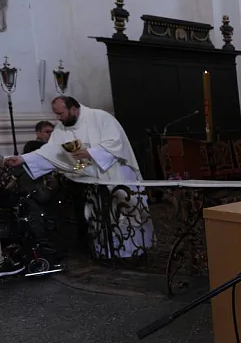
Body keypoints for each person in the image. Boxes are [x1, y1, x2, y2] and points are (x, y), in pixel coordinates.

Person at [3, 96, 153, 258]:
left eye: (60, 113)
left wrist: (91, 152)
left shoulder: (100, 117)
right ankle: (106, 252)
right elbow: (50, 152)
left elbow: (115, 143)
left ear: (73, 109)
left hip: (115, 172)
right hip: (92, 178)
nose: (58, 118)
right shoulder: (61, 129)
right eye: (56, 114)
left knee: (124, 213)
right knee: (99, 215)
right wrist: (24, 159)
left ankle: (133, 251)